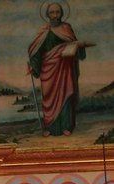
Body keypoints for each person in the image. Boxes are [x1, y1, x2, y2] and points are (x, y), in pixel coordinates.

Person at [27, 3, 94, 137]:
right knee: (48, 98)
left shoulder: (67, 28)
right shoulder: (44, 31)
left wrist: (79, 46)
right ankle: (50, 128)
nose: (55, 15)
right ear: (47, 15)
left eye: (58, 12)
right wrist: (34, 67)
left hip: (64, 69)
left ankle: (66, 126)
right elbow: (36, 51)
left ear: (62, 13)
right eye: (52, 12)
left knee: (66, 95)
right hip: (48, 70)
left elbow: (74, 44)